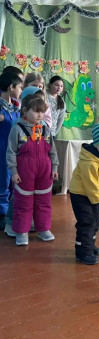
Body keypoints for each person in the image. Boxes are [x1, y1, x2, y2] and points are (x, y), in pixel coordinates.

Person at [6, 95, 58, 245]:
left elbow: (52, 151)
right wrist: (14, 171)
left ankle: (43, 229)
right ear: (25, 111)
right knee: (23, 201)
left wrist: (54, 167)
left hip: (44, 170)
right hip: (24, 170)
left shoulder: (45, 129)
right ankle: (22, 231)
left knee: (44, 201)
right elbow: (11, 152)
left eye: (42, 112)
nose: (40, 115)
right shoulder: (17, 129)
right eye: (36, 111)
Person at [70, 123, 99, 265]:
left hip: (94, 193)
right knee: (87, 222)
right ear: (96, 144)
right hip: (81, 194)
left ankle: (89, 244)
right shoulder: (89, 162)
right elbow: (91, 185)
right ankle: (83, 252)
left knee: (96, 220)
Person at [0, 72, 23, 231]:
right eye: (20, 87)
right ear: (11, 87)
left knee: (12, 183)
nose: (21, 90)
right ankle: (2, 215)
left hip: (14, 153)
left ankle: (9, 215)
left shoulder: (16, 107)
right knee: (2, 182)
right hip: (1, 152)